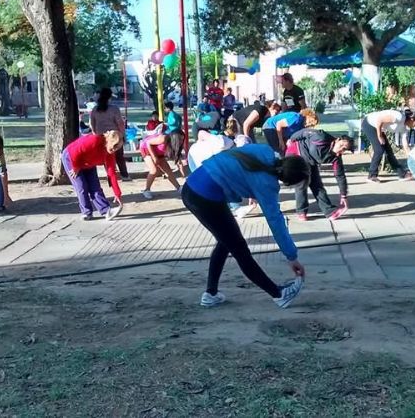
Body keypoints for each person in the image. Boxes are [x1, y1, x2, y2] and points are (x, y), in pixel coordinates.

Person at [181, 144, 309, 308]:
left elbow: (236, 160)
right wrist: (291, 256)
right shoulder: (267, 184)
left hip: (192, 186)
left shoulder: (265, 151)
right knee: (239, 248)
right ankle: (279, 295)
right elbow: (275, 221)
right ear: (289, 181)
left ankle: (211, 294)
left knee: (225, 241)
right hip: (205, 197)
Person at [286, 129, 352, 221]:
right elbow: (304, 132)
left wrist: (343, 195)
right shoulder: (321, 137)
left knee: (317, 184)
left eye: (344, 149)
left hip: (309, 161)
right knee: (302, 182)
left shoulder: (336, 157)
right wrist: (291, 139)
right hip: (295, 154)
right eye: (341, 145)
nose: (341, 149)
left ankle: (330, 212)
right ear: (337, 140)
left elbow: (340, 176)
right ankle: (301, 211)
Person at [62, 131, 124, 221]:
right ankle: (86, 212)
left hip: (89, 163)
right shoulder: (94, 140)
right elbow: (75, 151)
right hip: (72, 158)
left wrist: (117, 193)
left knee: (95, 187)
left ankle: (106, 211)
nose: (114, 150)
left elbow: (112, 174)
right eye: (114, 146)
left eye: (117, 148)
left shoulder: (109, 154)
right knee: (81, 186)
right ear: (108, 140)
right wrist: (76, 166)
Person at [363, 108, 415, 183]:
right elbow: (380, 120)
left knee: (389, 152)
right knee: (379, 150)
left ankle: (402, 174)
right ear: (412, 119)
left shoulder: (404, 129)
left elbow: (406, 147)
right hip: (369, 123)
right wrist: (380, 136)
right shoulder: (399, 117)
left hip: (378, 128)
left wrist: (412, 159)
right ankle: (371, 176)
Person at [90, 87, 130, 181]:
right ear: (110, 97)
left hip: (101, 137)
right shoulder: (114, 109)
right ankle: (124, 175)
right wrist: (123, 135)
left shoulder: (95, 110)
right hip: (114, 135)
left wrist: (96, 134)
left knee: (106, 158)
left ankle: (111, 176)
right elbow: (120, 123)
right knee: (119, 156)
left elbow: (92, 125)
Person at [141, 128, 185, 199]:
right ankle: (146, 190)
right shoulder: (164, 138)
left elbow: (179, 161)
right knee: (154, 170)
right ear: (174, 138)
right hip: (146, 148)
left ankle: (179, 188)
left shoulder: (177, 145)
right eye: (179, 139)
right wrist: (154, 157)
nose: (181, 141)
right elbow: (148, 143)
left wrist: (183, 174)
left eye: (182, 139)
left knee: (168, 171)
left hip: (159, 152)